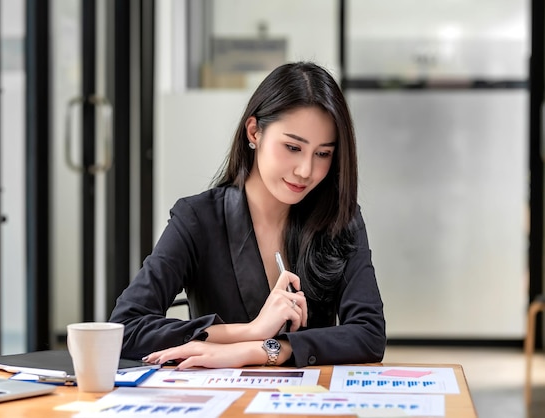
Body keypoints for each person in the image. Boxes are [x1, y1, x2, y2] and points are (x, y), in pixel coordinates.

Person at [109, 61, 386, 369]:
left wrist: (265, 349)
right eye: (293, 147)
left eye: (323, 154)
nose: (306, 170)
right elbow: (124, 330)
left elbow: (369, 334)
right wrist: (251, 331)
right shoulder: (198, 219)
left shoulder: (339, 218)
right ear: (254, 132)